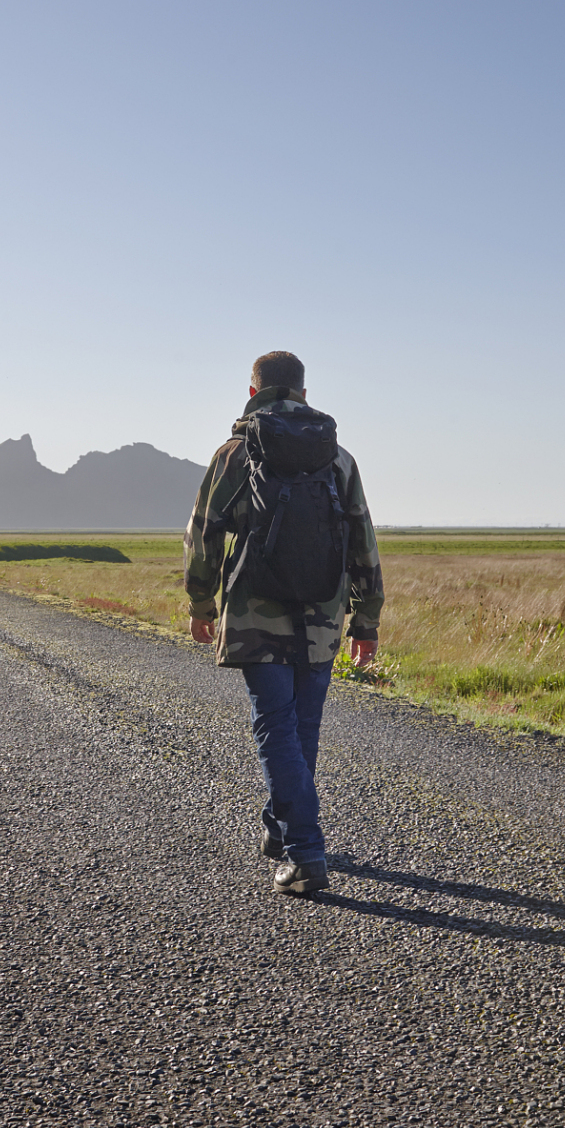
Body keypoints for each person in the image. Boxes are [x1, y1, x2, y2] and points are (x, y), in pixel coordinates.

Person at [182, 350, 383, 895]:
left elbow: (203, 534)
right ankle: (280, 828)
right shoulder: (338, 457)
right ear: (302, 392)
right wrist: (366, 621)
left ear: (254, 393)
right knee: (302, 728)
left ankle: (305, 854)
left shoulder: (234, 453)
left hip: (254, 615)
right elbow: (363, 539)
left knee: (275, 726)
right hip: (321, 617)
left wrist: (202, 604)